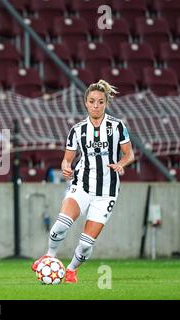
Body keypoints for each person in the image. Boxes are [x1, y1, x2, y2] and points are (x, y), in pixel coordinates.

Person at [31, 80, 135, 283]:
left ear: (106, 103)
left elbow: (129, 154)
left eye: (100, 102)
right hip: (82, 185)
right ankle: (49, 256)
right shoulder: (77, 130)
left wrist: (122, 163)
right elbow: (67, 159)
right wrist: (65, 167)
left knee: (87, 243)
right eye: (92, 101)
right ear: (85, 103)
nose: (96, 106)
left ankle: (70, 270)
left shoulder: (117, 126)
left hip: (106, 192)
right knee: (61, 224)